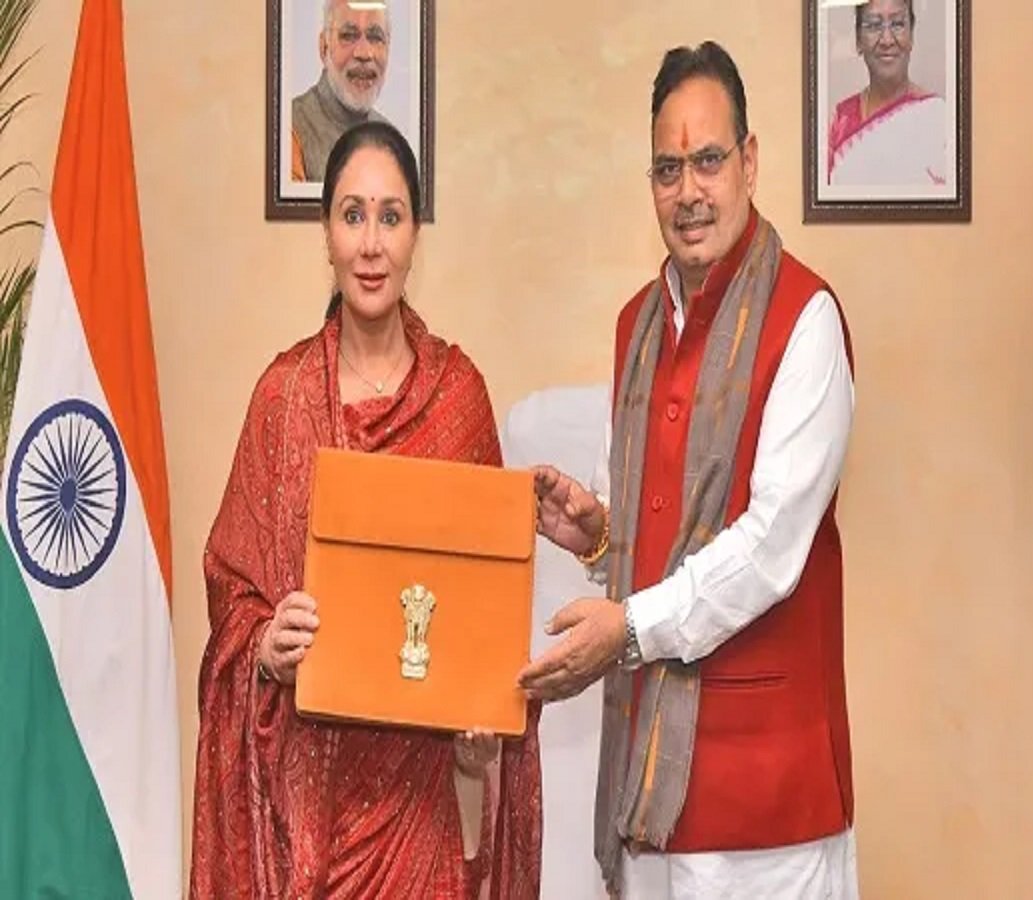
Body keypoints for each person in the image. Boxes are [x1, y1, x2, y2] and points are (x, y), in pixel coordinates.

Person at [518, 41, 858, 899]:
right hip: (649, 791)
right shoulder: (638, 324)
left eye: (708, 160)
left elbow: (769, 548)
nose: (689, 191)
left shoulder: (806, 320)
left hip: (767, 807)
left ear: (750, 161)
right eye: (668, 170)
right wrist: (599, 534)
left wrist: (625, 628)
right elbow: (654, 533)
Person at [191, 121, 541, 899]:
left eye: (391, 216)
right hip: (302, 819)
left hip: (423, 808)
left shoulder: (459, 399)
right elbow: (231, 591)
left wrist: (481, 720)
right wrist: (264, 645)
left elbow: (492, 603)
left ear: (416, 236)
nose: (372, 243)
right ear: (326, 233)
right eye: (353, 215)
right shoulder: (282, 400)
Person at [827, 0, 948, 186]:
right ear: (858, 40)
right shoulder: (839, 122)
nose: (887, 40)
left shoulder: (939, 119)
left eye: (898, 24)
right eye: (874, 25)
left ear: (911, 36)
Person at [291, 0, 393, 183]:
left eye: (375, 37)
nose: (364, 53)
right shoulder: (293, 127)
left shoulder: (391, 139)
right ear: (324, 48)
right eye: (348, 36)